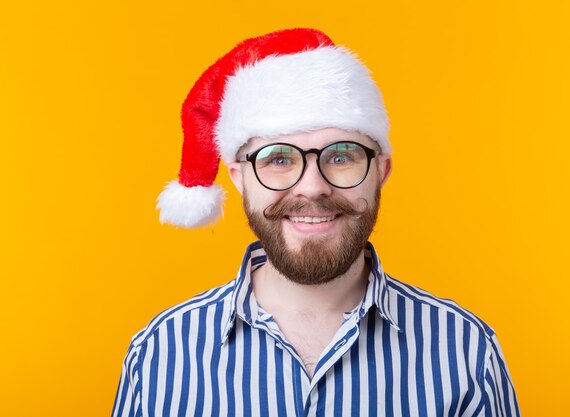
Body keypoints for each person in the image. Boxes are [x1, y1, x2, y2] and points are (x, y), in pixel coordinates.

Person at [112, 28, 521, 417]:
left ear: (381, 171)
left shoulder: (466, 352)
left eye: (341, 156)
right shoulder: (160, 354)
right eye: (278, 158)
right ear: (239, 178)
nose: (312, 187)